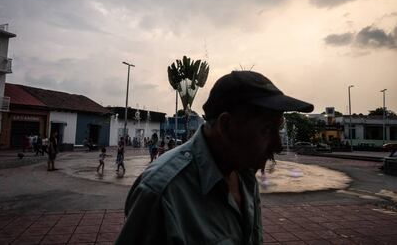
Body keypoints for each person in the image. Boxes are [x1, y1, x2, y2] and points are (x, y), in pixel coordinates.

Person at [115, 70, 313, 244]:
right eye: (267, 130)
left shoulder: (244, 175)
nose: (278, 146)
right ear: (226, 126)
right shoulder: (162, 194)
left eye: (278, 130)